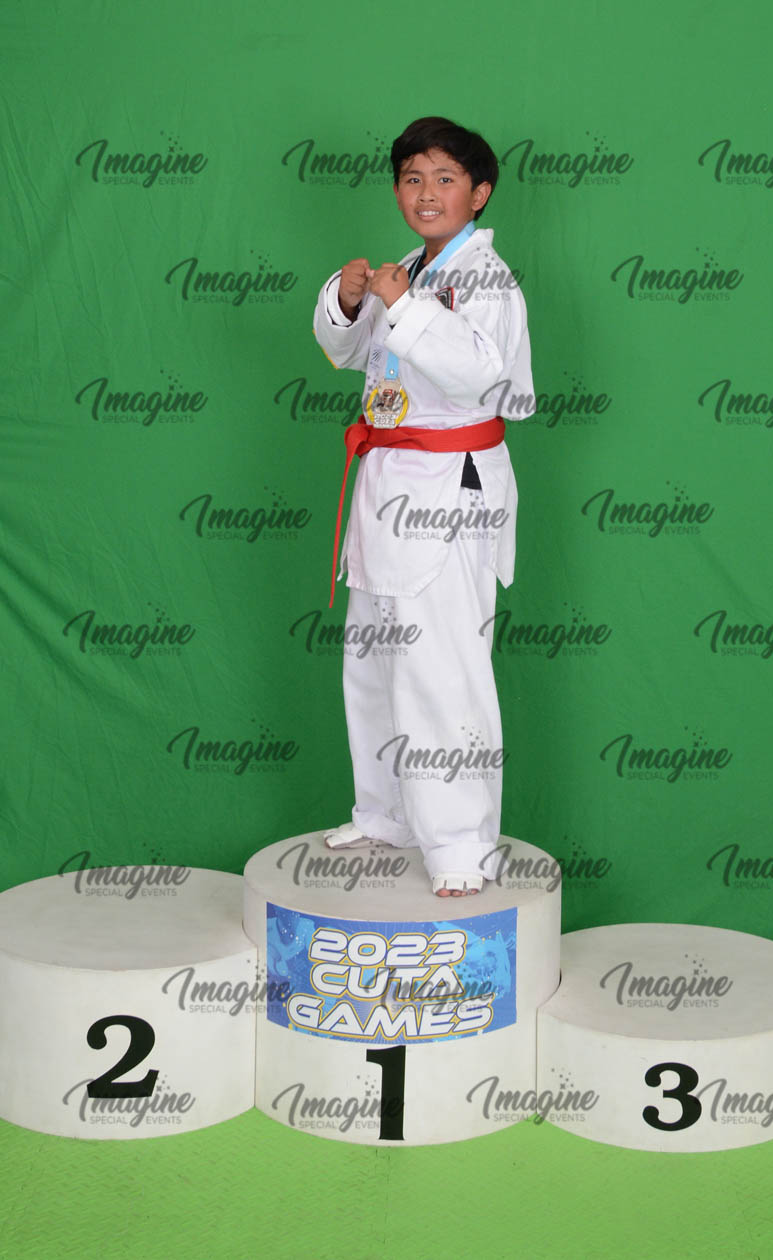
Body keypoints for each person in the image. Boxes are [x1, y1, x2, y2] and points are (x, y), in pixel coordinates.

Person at [312, 115, 534, 898]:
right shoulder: (407, 267)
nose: (426, 192)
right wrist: (348, 302)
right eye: (412, 178)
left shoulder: (487, 279)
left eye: (445, 178)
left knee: (442, 669)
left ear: (480, 193)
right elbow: (352, 355)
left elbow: (481, 375)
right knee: (373, 663)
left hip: (448, 489)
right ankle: (386, 814)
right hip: (387, 479)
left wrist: (406, 307)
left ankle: (463, 843)